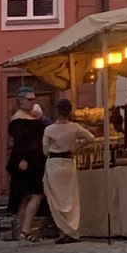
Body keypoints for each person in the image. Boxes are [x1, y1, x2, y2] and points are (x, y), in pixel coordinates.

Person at [40, 96, 94, 242]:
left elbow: (45, 151)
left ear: (57, 111)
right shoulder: (75, 127)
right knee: (70, 198)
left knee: (56, 199)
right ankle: (72, 228)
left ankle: (63, 230)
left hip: (54, 163)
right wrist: (77, 146)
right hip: (68, 162)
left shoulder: (49, 129)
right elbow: (91, 138)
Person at [6, 90, 47, 240]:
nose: (33, 102)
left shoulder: (29, 117)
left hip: (33, 160)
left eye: (34, 99)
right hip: (29, 161)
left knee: (26, 196)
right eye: (30, 99)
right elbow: (21, 142)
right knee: (34, 194)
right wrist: (23, 159)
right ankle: (25, 229)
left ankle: (22, 229)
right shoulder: (19, 120)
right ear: (22, 101)